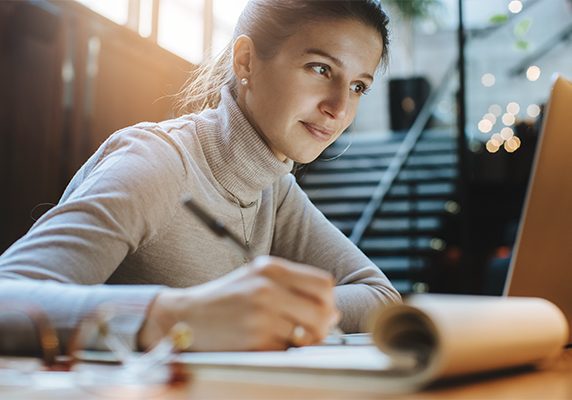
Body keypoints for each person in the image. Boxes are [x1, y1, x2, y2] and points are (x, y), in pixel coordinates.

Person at [0, 0, 400, 355]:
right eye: (320, 68)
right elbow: (8, 299)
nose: (339, 107)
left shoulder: (275, 189)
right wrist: (177, 317)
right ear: (245, 62)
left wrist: (274, 307)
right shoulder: (158, 162)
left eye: (358, 86)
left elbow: (382, 298)